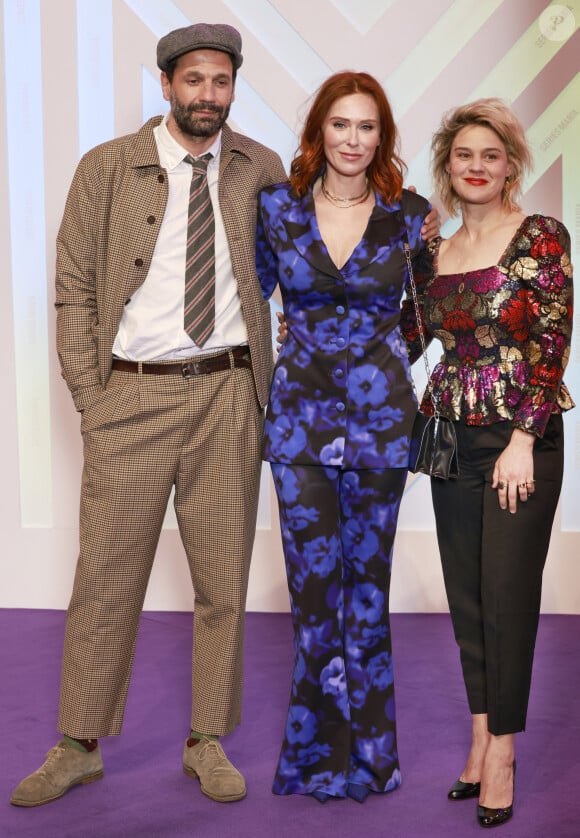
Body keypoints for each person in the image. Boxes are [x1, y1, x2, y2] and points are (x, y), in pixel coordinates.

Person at [10, 23, 286, 808]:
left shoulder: (258, 168)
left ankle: (207, 739)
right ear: (166, 84)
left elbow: (318, 239)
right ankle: (77, 743)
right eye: (194, 80)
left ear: (234, 88)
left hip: (229, 391)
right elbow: (71, 284)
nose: (208, 96)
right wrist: (92, 399)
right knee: (105, 577)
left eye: (222, 81)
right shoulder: (106, 166)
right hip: (132, 394)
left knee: (222, 580)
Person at [255, 71, 439, 802]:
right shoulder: (277, 209)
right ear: (318, 133)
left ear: (382, 137)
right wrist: (300, 347)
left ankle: (372, 759)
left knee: (367, 593)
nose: (353, 141)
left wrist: (377, 350)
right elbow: (252, 299)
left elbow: (426, 314)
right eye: (340, 126)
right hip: (298, 426)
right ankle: (311, 760)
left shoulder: (411, 215)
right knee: (314, 593)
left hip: (381, 428)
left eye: (367, 128)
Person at [401, 98, 574, 828]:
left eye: (490, 156)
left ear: (509, 165)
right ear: (449, 165)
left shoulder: (539, 235)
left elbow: (552, 341)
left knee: (506, 595)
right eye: (464, 155)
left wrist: (524, 440)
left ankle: (503, 750)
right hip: (447, 432)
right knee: (467, 597)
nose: (476, 166)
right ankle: (478, 738)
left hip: (514, 440)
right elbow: (409, 340)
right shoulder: (429, 251)